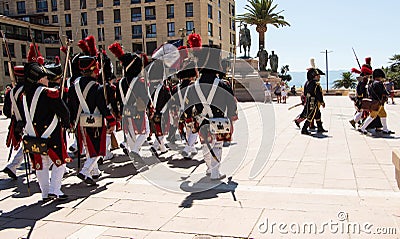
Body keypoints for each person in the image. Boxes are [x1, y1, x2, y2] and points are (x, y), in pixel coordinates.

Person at [185, 45, 238, 180]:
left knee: (205, 145)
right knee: (218, 146)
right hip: (220, 120)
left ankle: (209, 168)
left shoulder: (193, 87)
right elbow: (232, 104)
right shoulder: (223, 84)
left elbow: (189, 107)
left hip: (202, 121)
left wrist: (191, 120)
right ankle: (215, 172)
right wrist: (232, 117)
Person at [23, 61, 71, 201]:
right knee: (61, 162)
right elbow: (64, 112)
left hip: (33, 134)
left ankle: (45, 193)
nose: (47, 80)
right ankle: (55, 190)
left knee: (40, 164)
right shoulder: (50, 93)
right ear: (40, 79)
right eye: (45, 78)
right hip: (50, 134)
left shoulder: (25, 95)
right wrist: (66, 124)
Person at [68, 54, 116, 186]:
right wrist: (111, 121)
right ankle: (85, 171)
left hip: (79, 122)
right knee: (97, 149)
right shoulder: (97, 87)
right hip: (95, 122)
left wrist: (72, 121)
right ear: (94, 69)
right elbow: (103, 108)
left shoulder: (73, 86)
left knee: (87, 147)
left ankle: (94, 172)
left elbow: (71, 106)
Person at [109, 42, 150, 166]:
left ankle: (134, 153)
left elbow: (116, 99)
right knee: (145, 132)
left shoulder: (120, 82)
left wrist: (117, 112)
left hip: (125, 111)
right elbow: (145, 98)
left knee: (131, 134)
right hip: (138, 111)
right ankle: (135, 151)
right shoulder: (140, 81)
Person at [2, 65, 25, 180]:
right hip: (28, 122)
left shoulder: (11, 91)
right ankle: (12, 166)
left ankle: (13, 166)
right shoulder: (26, 91)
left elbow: (6, 111)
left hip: (16, 122)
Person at [358, 69, 395, 135]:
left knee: (383, 114)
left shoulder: (371, 84)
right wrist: (388, 93)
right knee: (372, 116)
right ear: (379, 76)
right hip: (378, 102)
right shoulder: (379, 83)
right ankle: (362, 128)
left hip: (374, 101)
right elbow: (384, 92)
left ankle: (385, 129)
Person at [301, 67, 327, 135]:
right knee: (311, 116)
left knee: (318, 115)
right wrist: (322, 102)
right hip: (314, 102)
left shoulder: (308, 83)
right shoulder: (316, 84)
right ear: (315, 76)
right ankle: (304, 129)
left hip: (309, 101)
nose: (319, 77)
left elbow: (305, 93)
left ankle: (320, 127)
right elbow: (319, 94)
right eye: (318, 76)